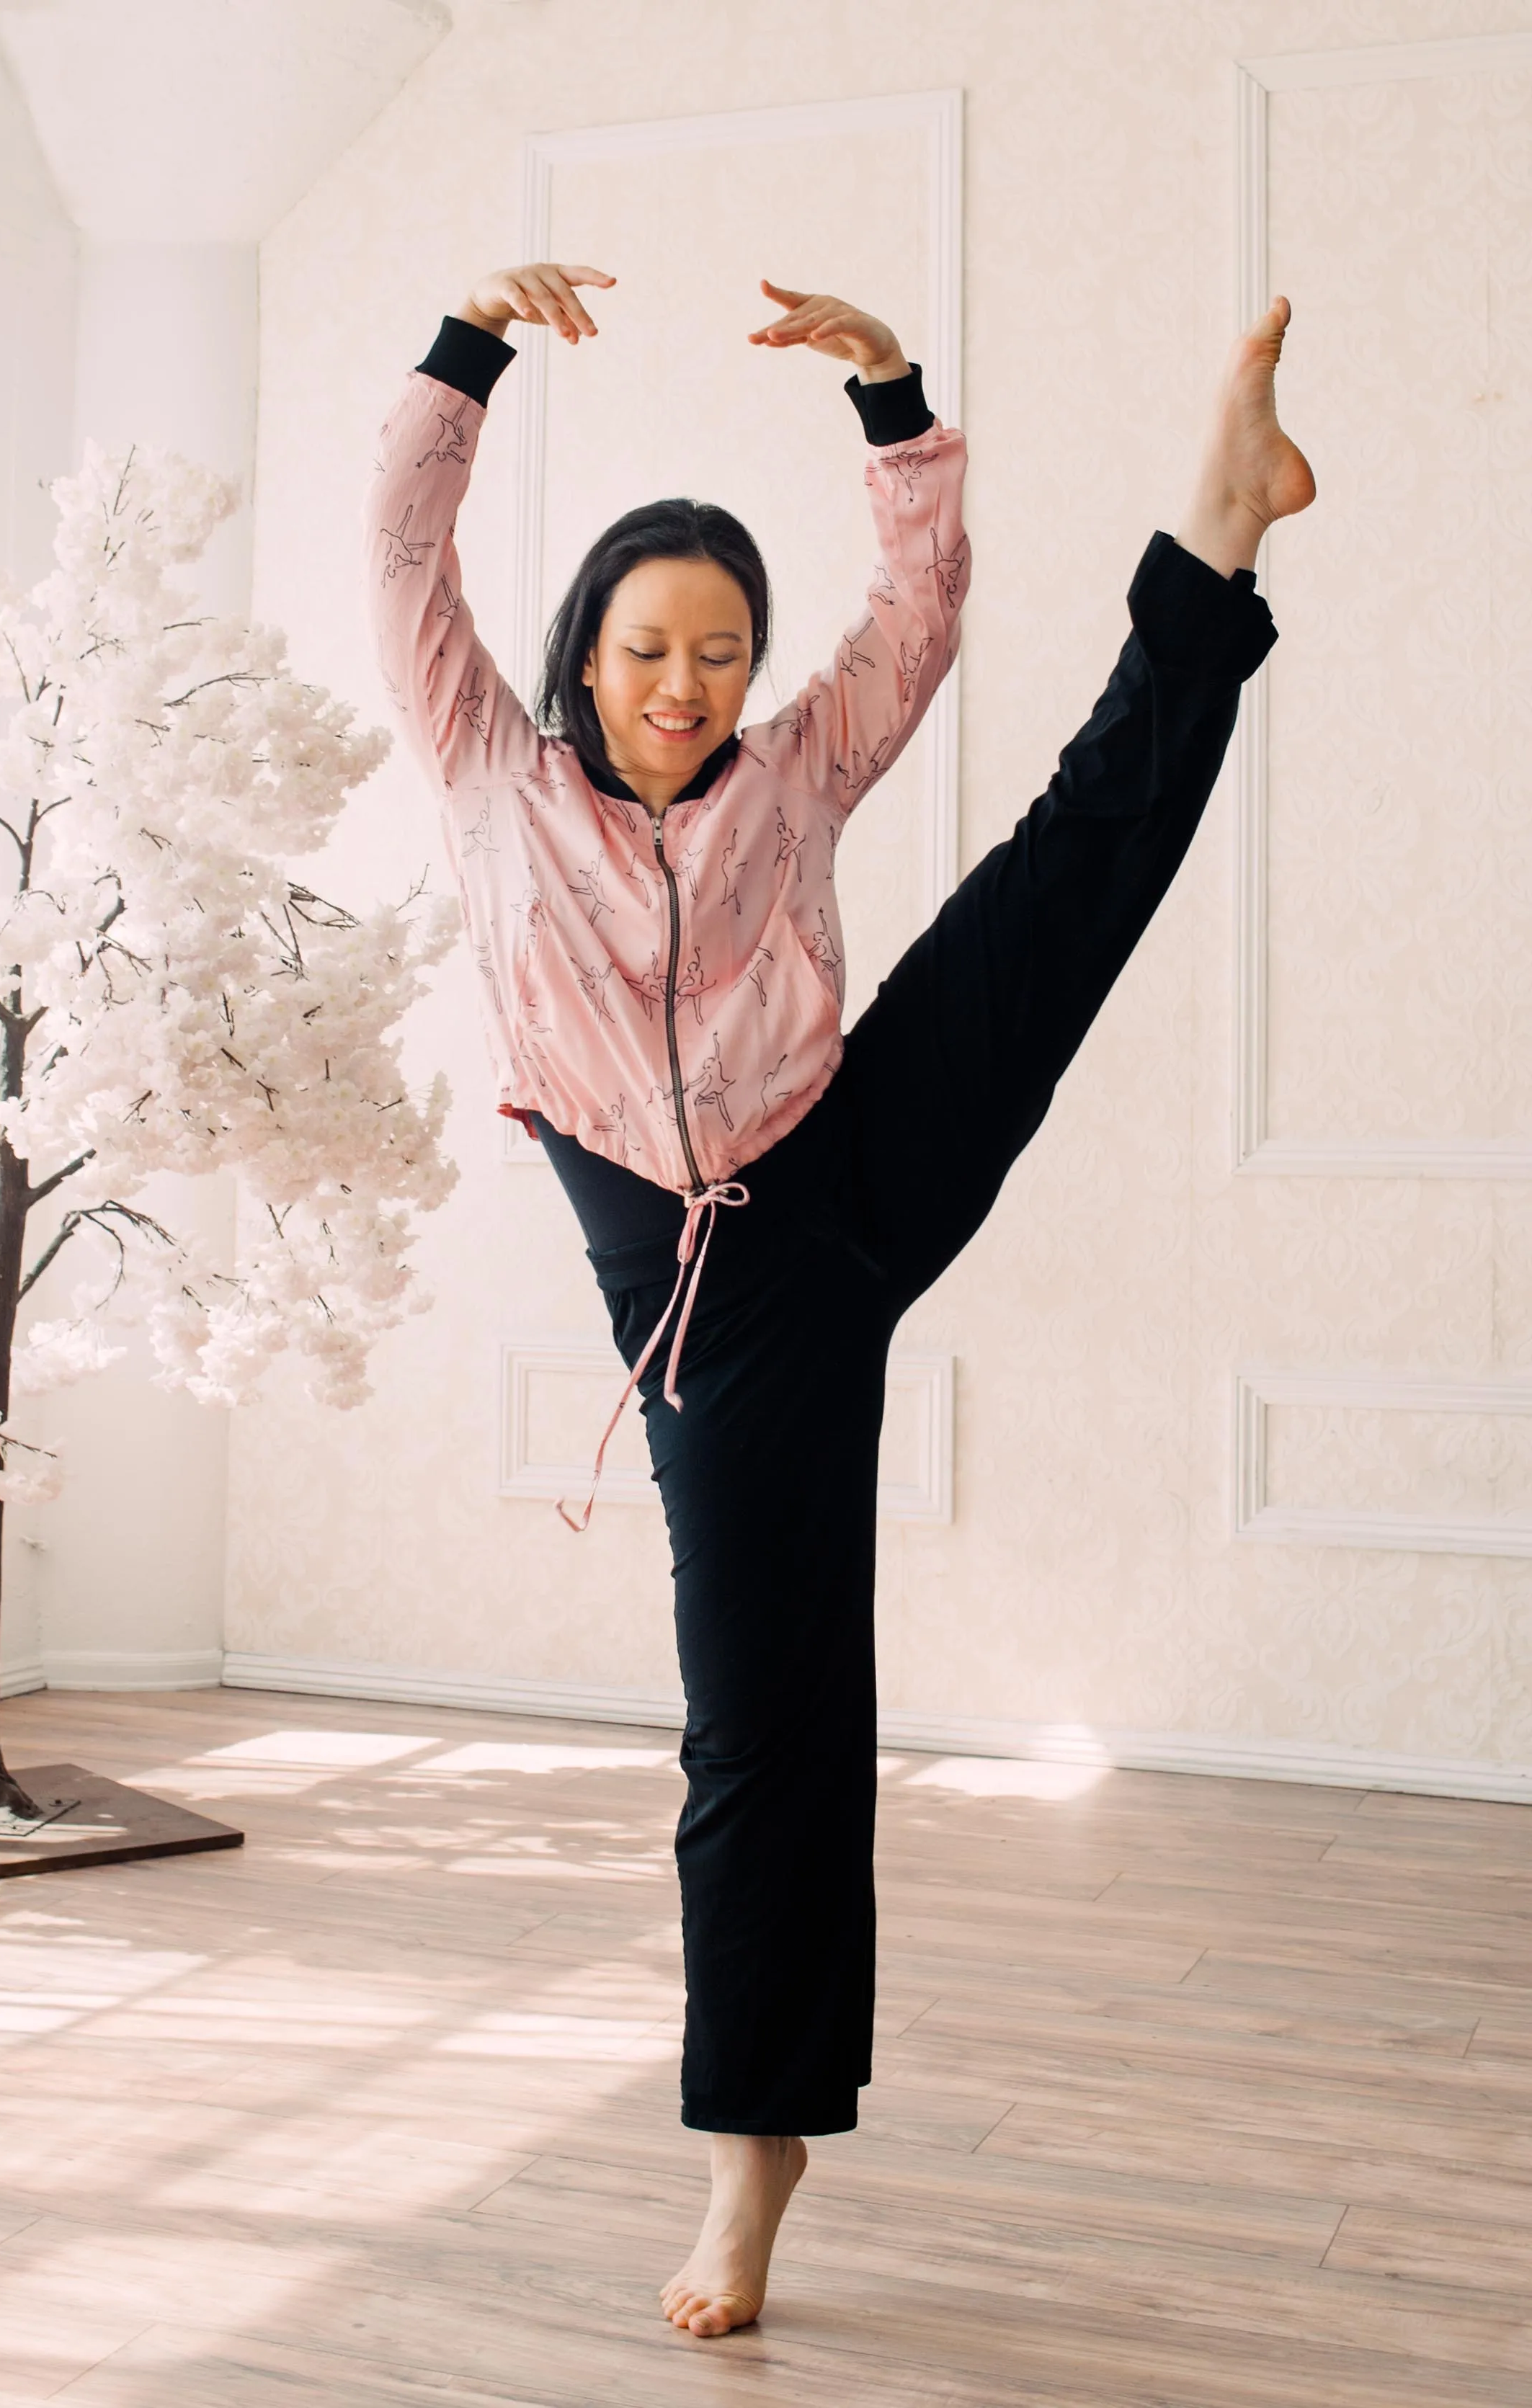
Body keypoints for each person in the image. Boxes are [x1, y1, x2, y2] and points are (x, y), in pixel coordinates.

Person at [365, 263, 1314, 2339]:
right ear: (583, 657)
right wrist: (468, 349)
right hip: (714, 1298)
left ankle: (1225, 534)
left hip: (847, 1154)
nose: (688, 682)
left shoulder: (791, 770)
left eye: (720, 649)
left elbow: (921, 617)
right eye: (649, 648)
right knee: (767, 1722)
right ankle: (752, 2156)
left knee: (1064, 875)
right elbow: (405, 548)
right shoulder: (485, 773)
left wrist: (892, 398)